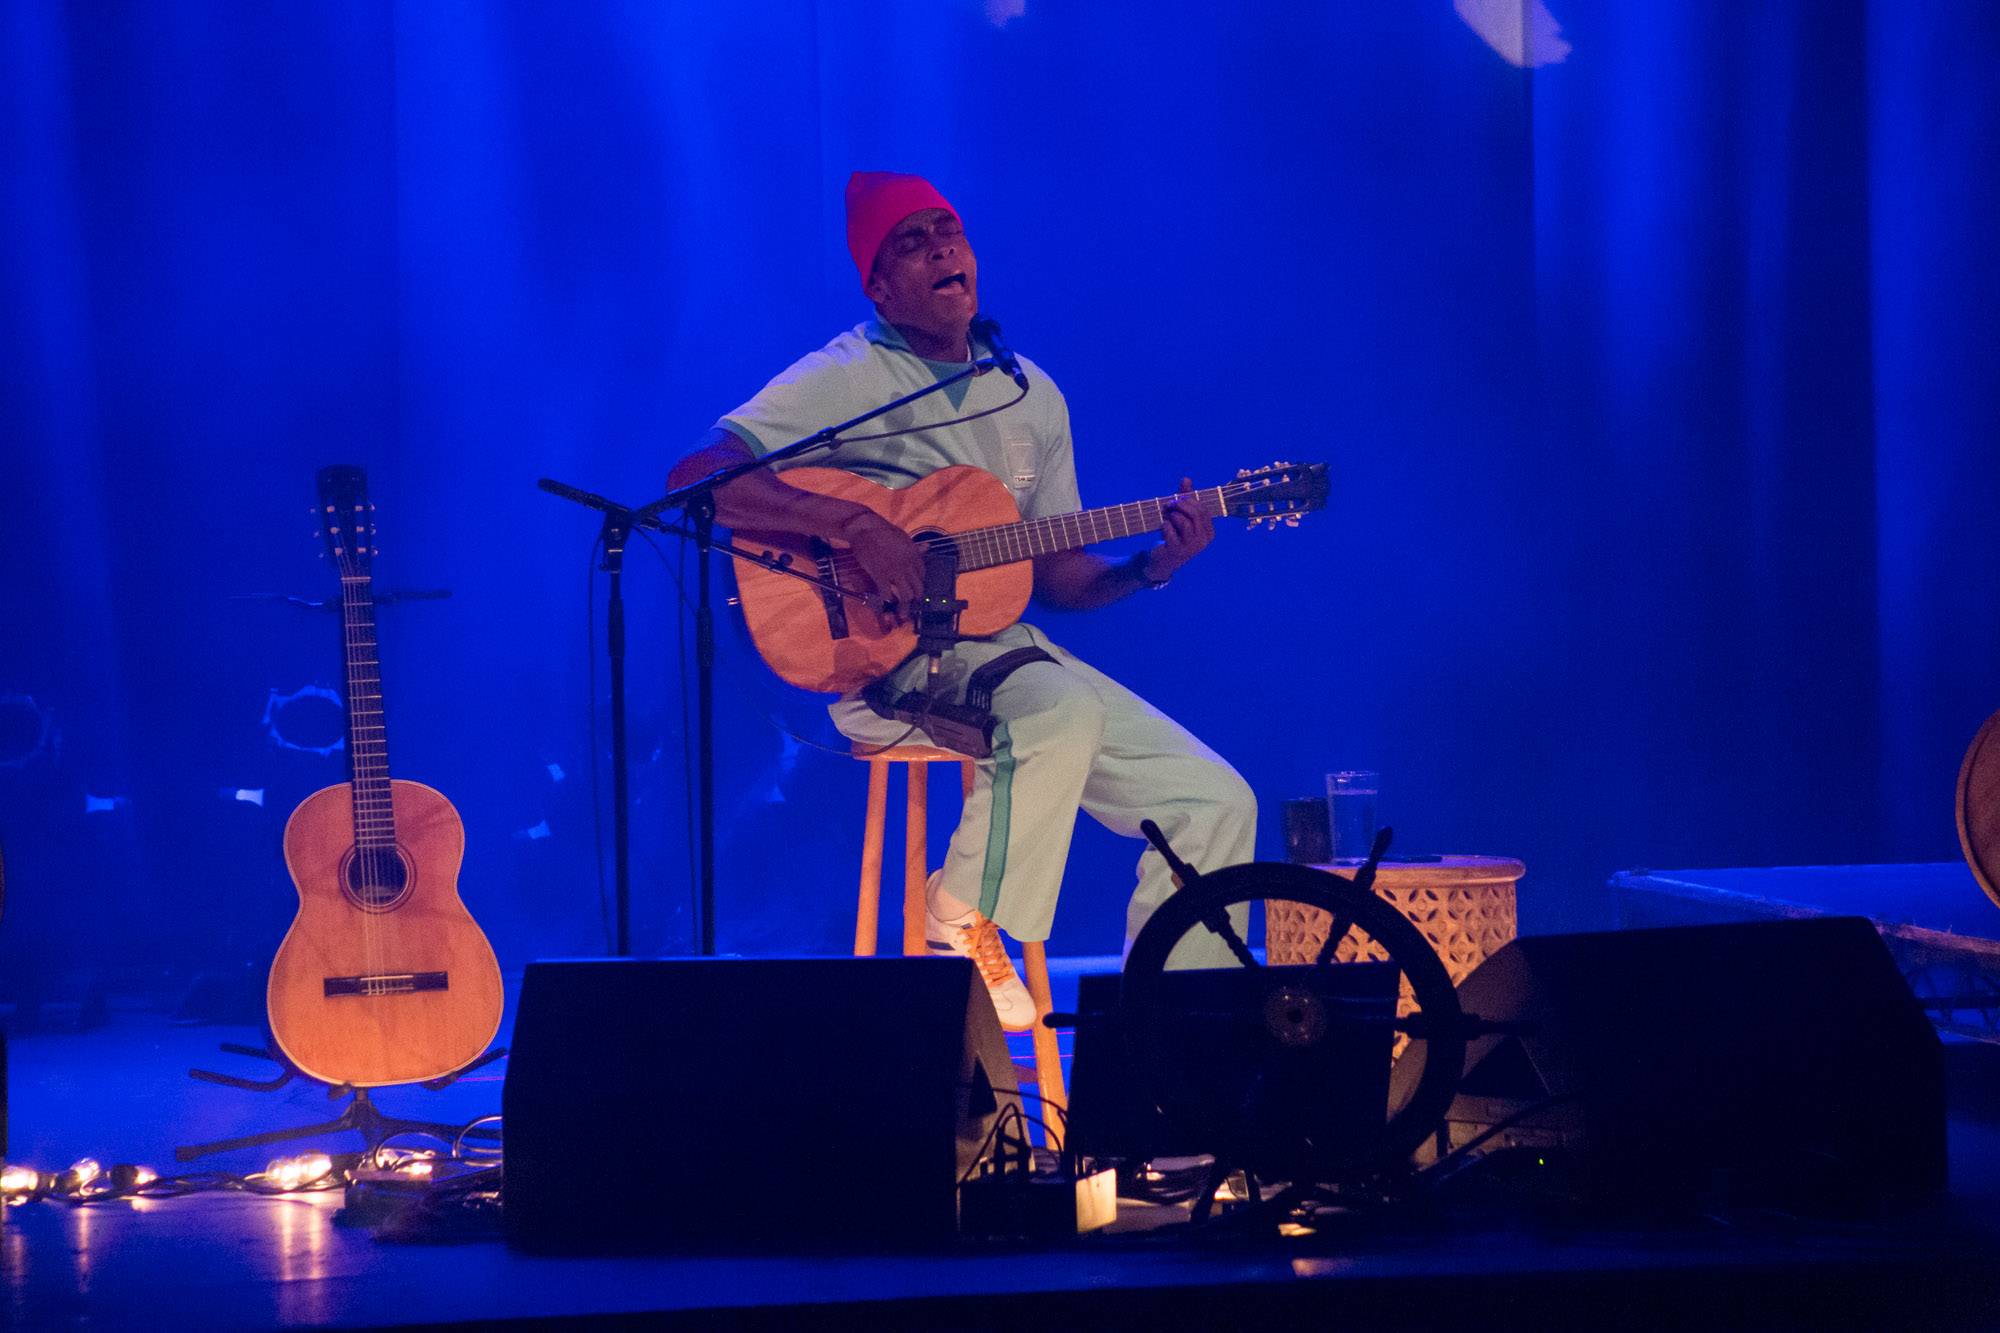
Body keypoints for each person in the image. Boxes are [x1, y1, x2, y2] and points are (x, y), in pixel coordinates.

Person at [670, 172, 1256, 1028]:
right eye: (913, 240)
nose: (945, 246)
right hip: (883, 658)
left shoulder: (1029, 392)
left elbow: (1057, 578)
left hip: (1002, 644)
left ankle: (1175, 1059)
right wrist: (849, 524)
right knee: (1055, 707)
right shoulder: (847, 375)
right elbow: (695, 479)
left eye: (951, 231)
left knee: (1214, 799)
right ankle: (958, 917)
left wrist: (1148, 568)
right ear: (877, 287)